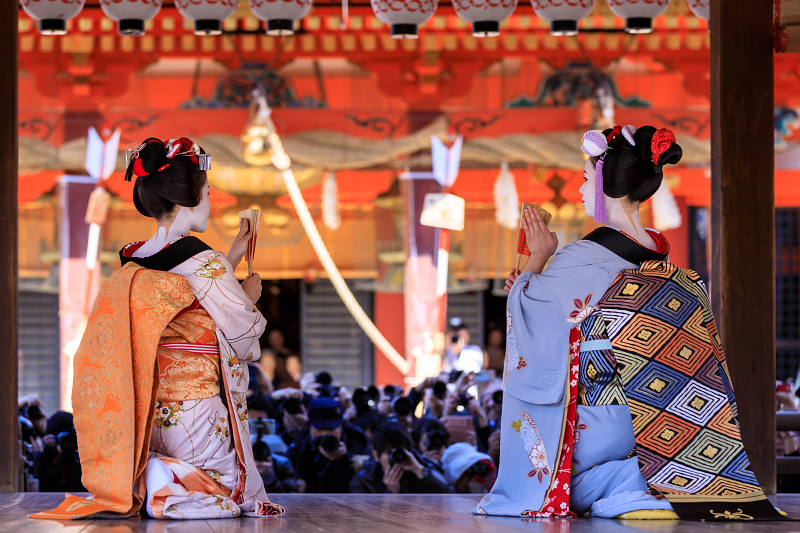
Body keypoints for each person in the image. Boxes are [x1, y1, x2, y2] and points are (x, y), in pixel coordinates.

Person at [476, 126, 782, 520]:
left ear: (607, 186)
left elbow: (526, 312)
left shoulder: (581, 256)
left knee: (574, 482)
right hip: (655, 413)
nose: (581, 190)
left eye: (586, 179)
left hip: (597, 421)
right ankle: (656, 479)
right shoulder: (659, 255)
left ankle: (626, 487)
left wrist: (538, 258)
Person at [35, 137, 283, 520]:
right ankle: (161, 485)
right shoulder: (205, 260)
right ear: (191, 200)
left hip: (151, 407)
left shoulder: (135, 256)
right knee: (231, 496)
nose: (211, 200)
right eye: (208, 192)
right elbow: (245, 339)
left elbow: (187, 298)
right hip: (198, 411)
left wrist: (230, 257)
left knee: (211, 485)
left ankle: (149, 471)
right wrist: (248, 297)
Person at [289, 397, 372, 493]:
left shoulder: (357, 441)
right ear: (310, 428)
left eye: (331, 429)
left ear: (341, 427)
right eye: (319, 429)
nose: (325, 434)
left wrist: (343, 459)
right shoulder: (299, 445)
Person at [350, 422, 452, 494]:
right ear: (376, 455)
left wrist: (421, 472)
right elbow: (367, 519)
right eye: (390, 452)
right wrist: (391, 493)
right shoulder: (364, 480)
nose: (395, 457)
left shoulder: (421, 466)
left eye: (400, 451)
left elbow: (450, 494)